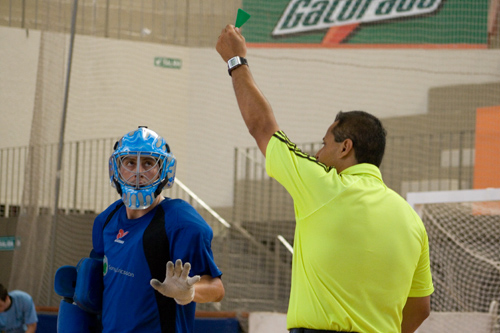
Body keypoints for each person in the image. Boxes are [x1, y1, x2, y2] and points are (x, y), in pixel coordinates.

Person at [216, 25, 434, 333]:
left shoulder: (324, 184)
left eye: (324, 143)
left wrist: (235, 60)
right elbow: (421, 309)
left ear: (346, 148)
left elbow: (262, 126)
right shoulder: (412, 221)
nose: (318, 154)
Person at [92, 126, 225, 333]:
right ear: (116, 168)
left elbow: (216, 290)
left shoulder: (182, 223)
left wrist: (187, 293)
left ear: (164, 169)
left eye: (148, 163)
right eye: (130, 162)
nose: (138, 172)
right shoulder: (106, 220)